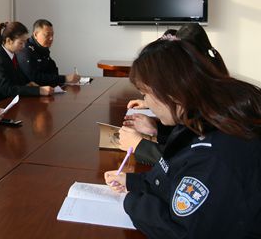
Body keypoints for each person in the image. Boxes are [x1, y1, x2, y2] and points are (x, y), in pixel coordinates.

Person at [104, 39, 261, 238]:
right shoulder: (197, 119)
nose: (146, 103)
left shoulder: (213, 154)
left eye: (145, 94)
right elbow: (173, 174)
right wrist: (134, 182)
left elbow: (180, 231)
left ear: (170, 92)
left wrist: (131, 201)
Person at [119, 24, 229, 165]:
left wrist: (139, 145)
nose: (147, 101)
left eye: (146, 93)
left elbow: (187, 162)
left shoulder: (212, 115)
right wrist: (157, 129)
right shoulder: (205, 97)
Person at [0, 21, 54, 107]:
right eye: (20, 43)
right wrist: (38, 90)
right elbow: (8, 89)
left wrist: (29, 84)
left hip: (11, 103)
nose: (24, 46)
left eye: (25, 42)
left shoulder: (12, 55)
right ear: (9, 41)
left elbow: (18, 80)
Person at [16, 19, 80, 86]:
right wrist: (65, 78)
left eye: (52, 35)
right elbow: (35, 78)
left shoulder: (42, 49)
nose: (51, 38)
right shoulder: (25, 50)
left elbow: (53, 71)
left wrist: (61, 79)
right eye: (47, 35)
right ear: (35, 35)